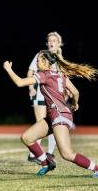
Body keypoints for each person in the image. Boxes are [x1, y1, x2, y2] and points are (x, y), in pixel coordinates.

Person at [3, 50, 98, 178]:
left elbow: (20, 82)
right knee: (27, 137)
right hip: (56, 115)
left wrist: (8, 69)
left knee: (67, 154)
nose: (37, 62)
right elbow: (75, 92)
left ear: (46, 62)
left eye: (39, 60)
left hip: (59, 116)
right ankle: (46, 163)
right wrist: (75, 104)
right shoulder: (60, 75)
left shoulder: (44, 74)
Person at [26, 32, 64, 164]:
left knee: (53, 124)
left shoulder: (60, 59)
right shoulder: (40, 55)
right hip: (40, 93)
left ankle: (48, 153)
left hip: (53, 96)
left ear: (59, 43)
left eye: (54, 40)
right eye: (50, 40)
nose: (51, 42)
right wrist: (31, 88)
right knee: (42, 123)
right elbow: (30, 72)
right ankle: (35, 153)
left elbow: (62, 78)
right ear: (47, 43)